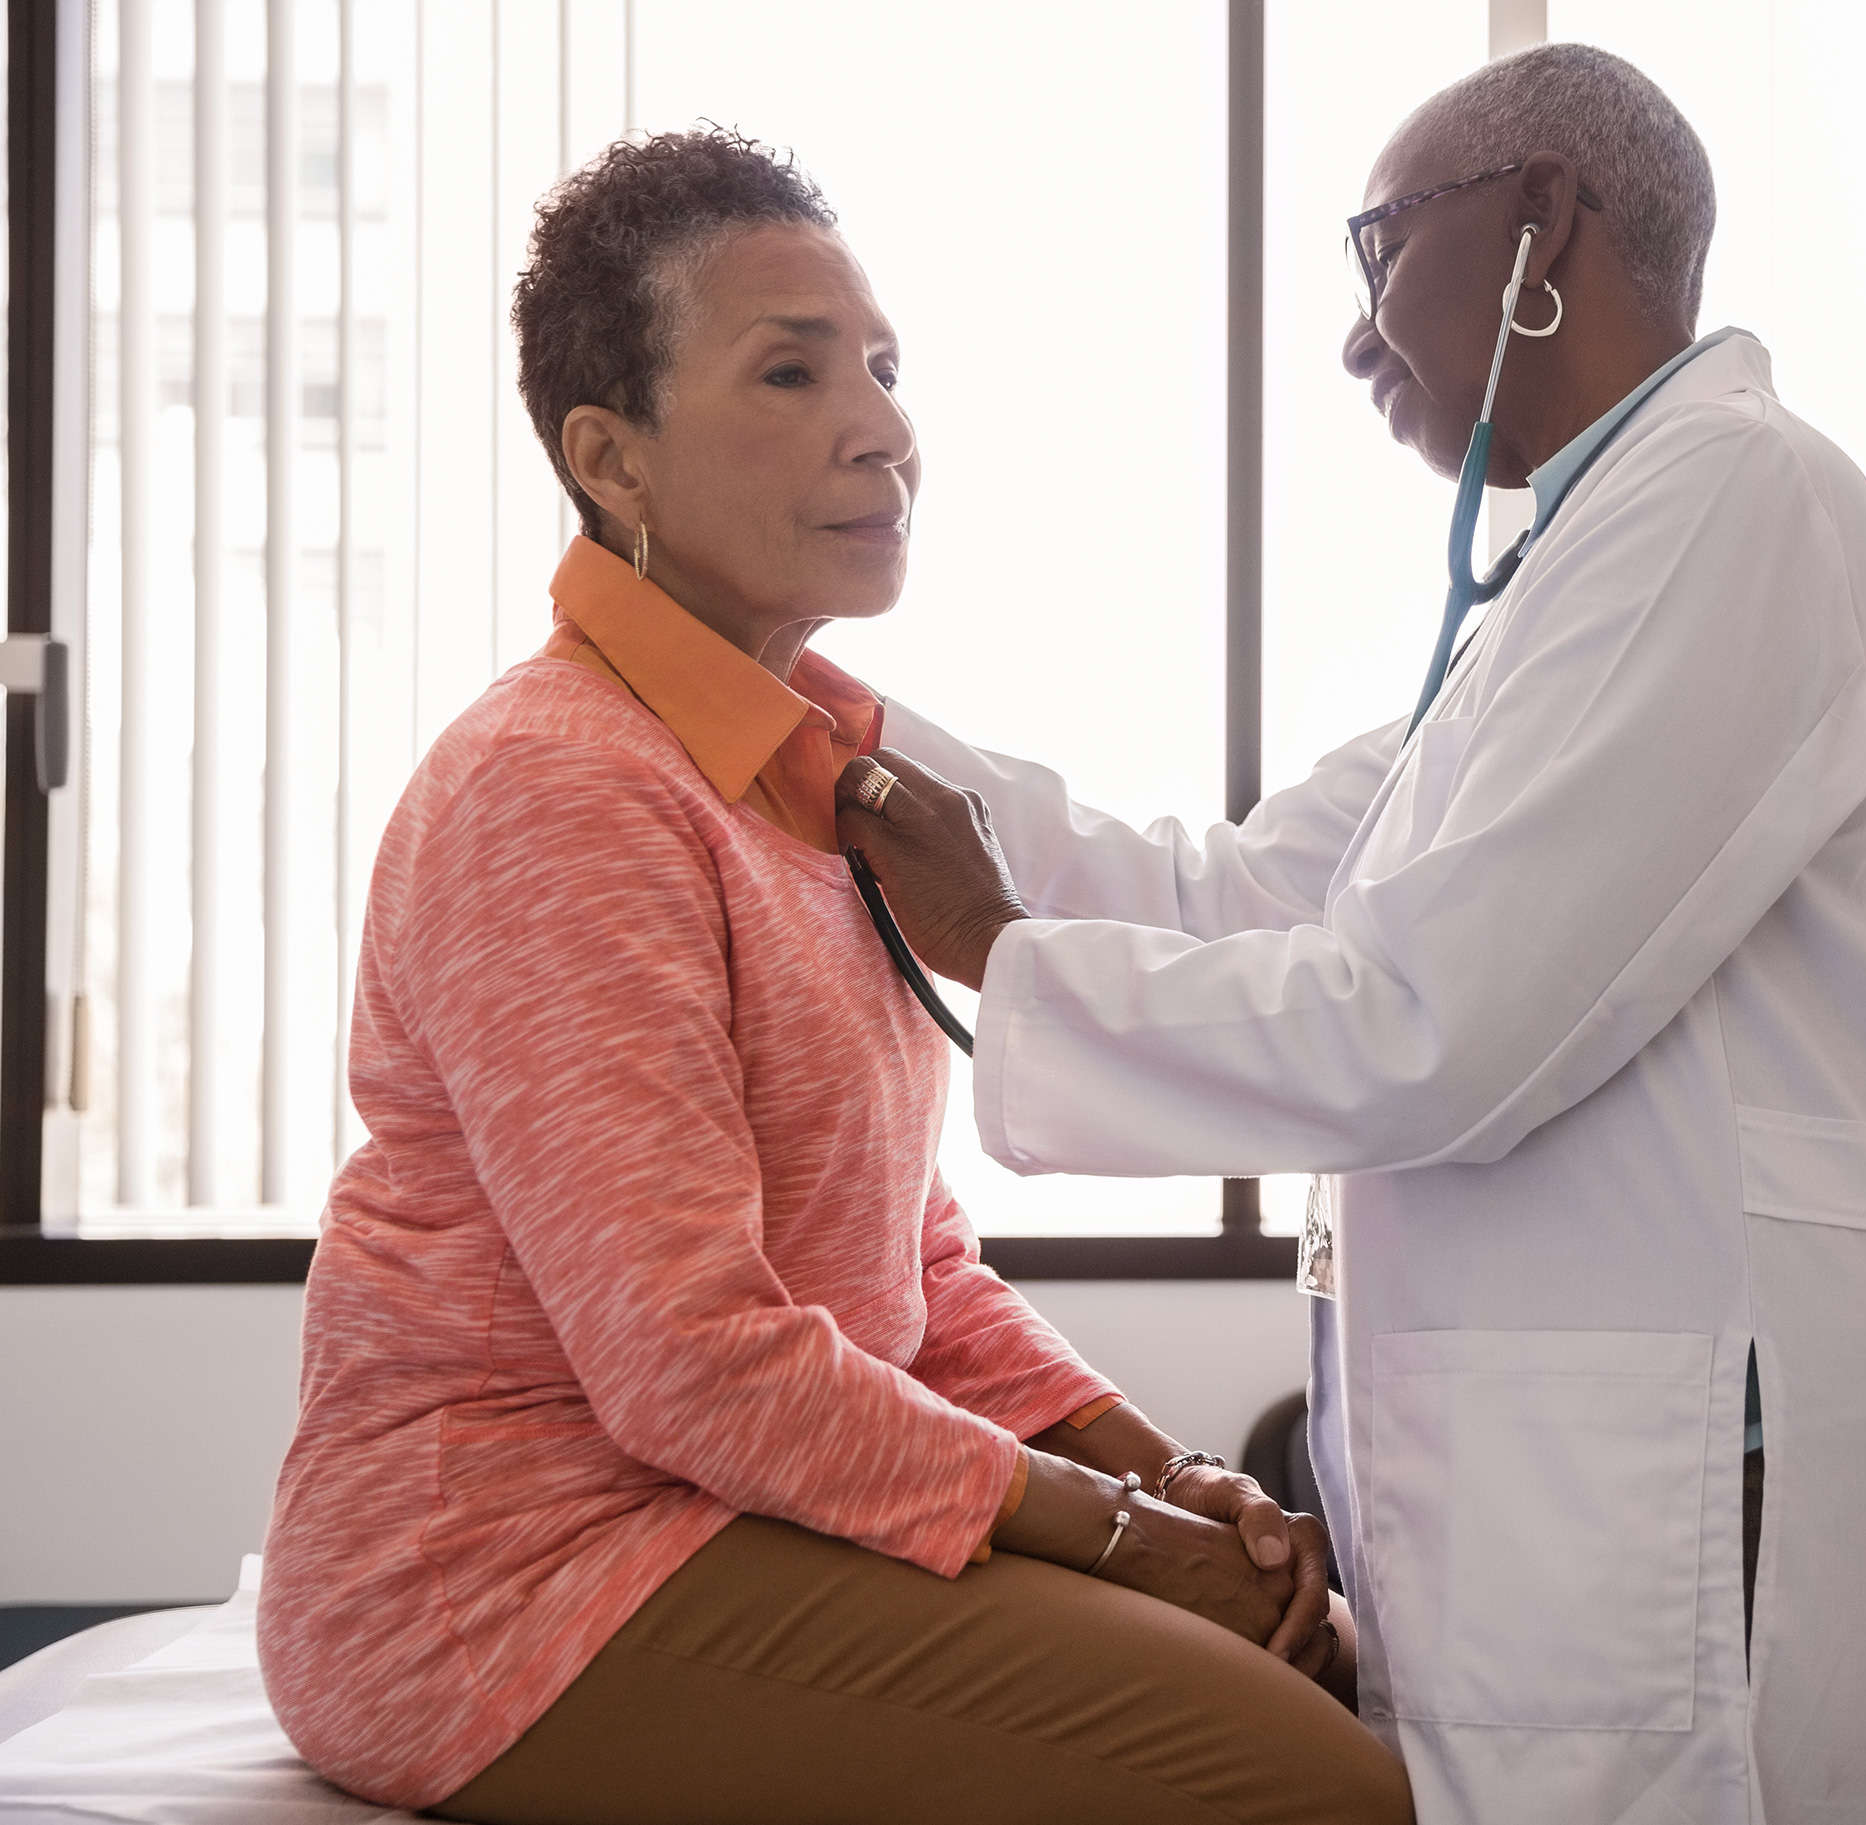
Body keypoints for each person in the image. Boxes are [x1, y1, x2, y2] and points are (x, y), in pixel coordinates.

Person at [841, 43, 1866, 1825]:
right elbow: (1228, 889)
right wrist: (820, 718)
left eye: (1380, 249)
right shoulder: (1584, 569)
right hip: (1608, 1457)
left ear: (1544, 219)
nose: (1351, 334)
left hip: (1719, 1454)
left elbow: (1434, 1021)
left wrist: (1000, 945)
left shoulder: (1736, 505)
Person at [255, 129, 1409, 1825]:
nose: (881, 428)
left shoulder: (808, 775)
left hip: (723, 1511)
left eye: (881, 365)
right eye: (790, 373)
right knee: (1306, 1783)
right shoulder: (558, 783)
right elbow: (694, 1361)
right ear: (612, 459)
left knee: (1321, 1676)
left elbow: (911, 1268)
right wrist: (1121, 1540)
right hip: (506, 1582)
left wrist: (1170, 1475)